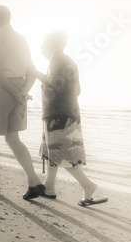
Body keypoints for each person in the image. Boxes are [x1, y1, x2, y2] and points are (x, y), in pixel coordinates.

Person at [0, 5, 45, 200]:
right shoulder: (22, 39)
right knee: (13, 138)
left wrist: (15, 92)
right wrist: (22, 92)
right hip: (18, 90)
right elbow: (31, 71)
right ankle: (34, 180)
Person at [30, 30, 108, 206]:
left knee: (61, 154)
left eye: (43, 44)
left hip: (59, 115)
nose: (41, 47)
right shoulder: (70, 61)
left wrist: (34, 72)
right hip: (69, 113)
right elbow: (77, 90)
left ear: (51, 45)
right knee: (55, 152)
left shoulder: (55, 60)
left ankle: (88, 185)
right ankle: (49, 188)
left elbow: (54, 83)